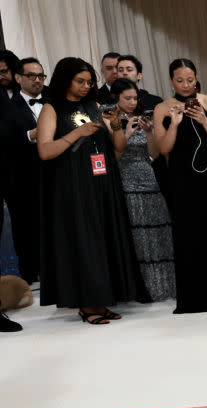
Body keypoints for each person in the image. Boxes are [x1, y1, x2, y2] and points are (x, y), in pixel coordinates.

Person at [35, 57, 142, 324]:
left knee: (104, 238)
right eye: (79, 81)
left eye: (89, 82)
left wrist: (116, 123)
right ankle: (87, 304)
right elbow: (45, 150)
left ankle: (102, 299)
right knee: (84, 242)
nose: (86, 86)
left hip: (103, 182)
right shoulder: (52, 108)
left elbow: (118, 148)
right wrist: (77, 133)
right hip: (72, 186)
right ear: (65, 80)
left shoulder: (94, 105)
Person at [153, 58, 207, 314]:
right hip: (180, 178)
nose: (185, 85)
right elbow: (163, 149)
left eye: (190, 79)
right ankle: (190, 299)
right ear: (171, 81)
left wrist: (203, 120)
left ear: (196, 78)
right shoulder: (163, 108)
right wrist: (174, 123)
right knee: (185, 236)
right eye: (179, 80)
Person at [108, 78, 175, 302]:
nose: (132, 102)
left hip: (149, 178)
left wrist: (148, 132)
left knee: (158, 231)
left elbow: (154, 155)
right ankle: (141, 289)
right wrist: (125, 131)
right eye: (127, 98)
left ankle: (163, 287)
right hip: (126, 182)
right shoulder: (110, 120)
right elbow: (113, 156)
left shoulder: (140, 117)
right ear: (116, 98)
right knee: (138, 236)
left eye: (135, 98)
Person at [0, 58, 46, 284]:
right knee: (26, 227)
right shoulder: (7, 107)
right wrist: (32, 134)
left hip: (55, 174)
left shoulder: (54, 101)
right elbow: (4, 140)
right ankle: (30, 274)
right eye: (32, 76)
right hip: (22, 178)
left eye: (41, 76)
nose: (37, 80)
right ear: (18, 78)